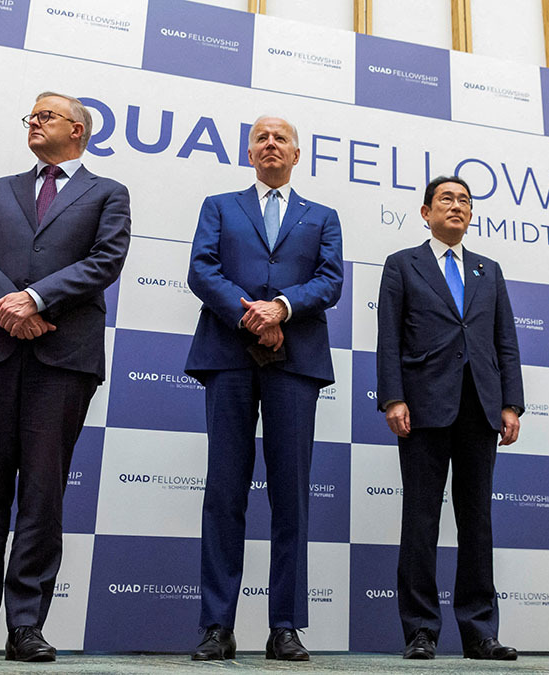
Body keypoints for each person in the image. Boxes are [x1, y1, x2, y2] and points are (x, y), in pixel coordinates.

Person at [0, 92, 130, 663]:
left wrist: (37, 298)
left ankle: (26, 626)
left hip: (63, 357)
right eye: (32, 116)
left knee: (43, 496)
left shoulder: (109, 193)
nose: (34, 123)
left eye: (46, 116)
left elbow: (105, 260)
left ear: (78, 129)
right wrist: (11, 307)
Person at [184, 115, 343, 661]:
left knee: (291, 496)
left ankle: (285, 627)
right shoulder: (219, 206)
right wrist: (250, 314)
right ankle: (216, 626)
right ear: (249, 153)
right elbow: (202, 270)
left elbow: (330, 280)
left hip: (295, 361)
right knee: (223, 492)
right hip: (228, 354)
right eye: (261, 138)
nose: (270, 143)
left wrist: (282, 308)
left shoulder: (322, 216)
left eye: (281, 138)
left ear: (296, 155)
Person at [376, 175, 524, 661]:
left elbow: (505, 341)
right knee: (421, 520)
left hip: (481, 407)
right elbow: (388, 338)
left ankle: (480, 632)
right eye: (446, 199)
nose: (456, 206)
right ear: (426, 212)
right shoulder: (403, 264)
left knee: (477, 521)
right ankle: (421, 630)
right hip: (422, 407)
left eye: (464, 200)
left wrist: (511, 403)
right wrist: (393, 397)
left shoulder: (489, 270)